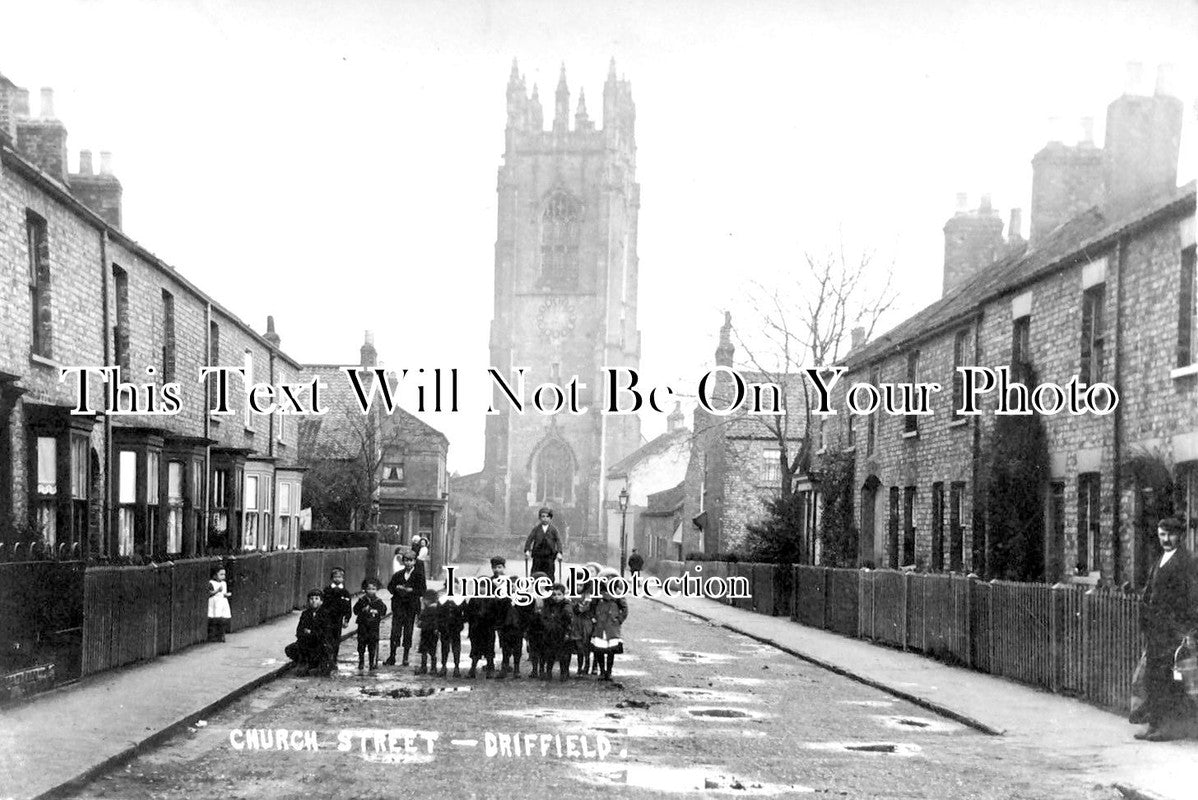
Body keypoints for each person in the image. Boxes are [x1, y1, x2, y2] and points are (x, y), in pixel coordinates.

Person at [1134, 517, 1198, 741]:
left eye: (1170, 535)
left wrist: (1187, 630)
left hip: (1174, 630)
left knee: (1170, 680)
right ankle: (1154, 723)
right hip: (1156, 629)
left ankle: (1168, 728)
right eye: (1162, 535)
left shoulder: (1187, 562)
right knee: (1153, 676)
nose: (1166, 539)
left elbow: (1191, 598)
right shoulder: (1160, 558)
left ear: (1180, 535)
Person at [465, 557, 506, 678]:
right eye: (480, 586)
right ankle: (473, 668)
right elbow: (469, 613)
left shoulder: (492, 600)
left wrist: (495, 623)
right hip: (476, 628)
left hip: (488, 628)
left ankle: (490, 667)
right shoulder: (474, 599)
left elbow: (496, 613)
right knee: (475, 649)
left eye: (484, 586)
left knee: (489, 649)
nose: (482, 589)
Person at [386, 549, 426, 666]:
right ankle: (392, 656)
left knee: (408, 631)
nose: (408, 563)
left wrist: (412, 590)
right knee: (395, 631)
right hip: (398, 606)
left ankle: (405, 657)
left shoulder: (419, 576)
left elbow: (423, 590)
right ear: (403, 562)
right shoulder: (398, 575)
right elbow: (390, 587)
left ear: (414, 562)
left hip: (411, 607)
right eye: (406, 560)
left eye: (411, 561)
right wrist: (397, 588)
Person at [590, 568, 629, 682]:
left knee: (611, 650)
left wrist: (619, 619)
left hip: (612, 626)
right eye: (606, 579)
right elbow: (592, 606)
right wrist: (593, 617)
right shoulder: (598, 594)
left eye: (612, 579)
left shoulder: (617, 594)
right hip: (600, 625)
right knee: (599, 650)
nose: (609, 581)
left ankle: (609, 672)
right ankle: (602, 671)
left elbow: (624, 608)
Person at [286, 590, 335, 676]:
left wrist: (310, 632)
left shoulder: (326, 614)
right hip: (307, 642)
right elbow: (300, 630)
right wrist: (307, 634)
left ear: (321, 601)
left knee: (324, 655)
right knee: (290, 649)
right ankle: (303, 663)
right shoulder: (305, 614)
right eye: (311, 599)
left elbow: (324, 633)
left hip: (320, 643)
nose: (313, 601)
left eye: (316, 598)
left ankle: (320, 664)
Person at [537, 583, 574, 681]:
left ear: (563, 594)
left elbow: (568, 617)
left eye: (559, 594)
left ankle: (564, 672)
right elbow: (543, 617)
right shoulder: (548, 605)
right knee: (549, 654)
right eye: (554, 594)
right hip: (550, 632)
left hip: (562, 632)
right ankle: (548, 672)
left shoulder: (566, 604)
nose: (556, 597)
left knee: (564, 655)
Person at [321, 567, 353, 669]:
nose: (337, 579)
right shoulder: (327, 590)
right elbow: (323, 605)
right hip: (328, 618)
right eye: (335, 577)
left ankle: (334, 659)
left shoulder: (345, 592)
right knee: (327, 638)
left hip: (338, 619)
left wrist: (346, 619)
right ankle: (327, 659)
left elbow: (348, 607)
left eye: (340, 577)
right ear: (331, 578)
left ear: (343, 579)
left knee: (336, 639)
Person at [353, 579, 387, 671]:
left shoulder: (378, 601)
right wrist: (362, 609)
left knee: (372, 644)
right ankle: (361, 661)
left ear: (376, 590)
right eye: (369, 589)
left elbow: (383, 611)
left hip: (373, 626)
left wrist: (377, 611)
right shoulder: (361, 600)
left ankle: (372, 662)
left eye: (373, 589)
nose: (371, 591)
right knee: (361, 644)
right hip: (363, 625)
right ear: (365, 589)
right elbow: (355, 610)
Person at [524, 507, 563, 579]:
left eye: (547, 516)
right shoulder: (536, 529)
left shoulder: (553, 529)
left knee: (550, 573)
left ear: (550, 518)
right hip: (538, 555)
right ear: (540, 518)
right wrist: (527, 550)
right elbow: (529, 539)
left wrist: (559, 552)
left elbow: (558, 541)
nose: (545, 518)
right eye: (543, 516)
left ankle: (549, 587)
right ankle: (535, 586)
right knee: (535, 573)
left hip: (549, 556)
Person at [568, 582, 596, 678]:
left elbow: (584, 608)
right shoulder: (570, 595)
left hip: (585, 622)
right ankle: (580, 668)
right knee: (578, 646)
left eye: (580, 585)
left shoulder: (587, 595)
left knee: (586, 645)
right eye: (576, 584)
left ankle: (587, 665)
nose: (578, 587)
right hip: (575, 623)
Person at [437, 587, 466, 677]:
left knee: (456, 648)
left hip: (455, 627)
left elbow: (466, 612)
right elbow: (438, 613)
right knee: (445, 647)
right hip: (444, 627)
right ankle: (444, 666)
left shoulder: (460, 599)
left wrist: (461, 621)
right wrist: (439, 624)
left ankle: (456, 667)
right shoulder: (442, 598)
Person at [414, 589, 441, 676]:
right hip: (433, 633)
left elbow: (420, 621)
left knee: (424, 651)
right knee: (433, 651)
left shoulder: (427, 610)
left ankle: (424, 667)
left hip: (426, 632)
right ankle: (433, 668)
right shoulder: (438, 609)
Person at [207, 566, 232, 642]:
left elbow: (223, 593)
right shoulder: (211, 583)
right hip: (214, 602)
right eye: (221, 574)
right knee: (215, 619)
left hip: (222, 602)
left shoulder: (224, 583)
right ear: (215, 575)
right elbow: (210, 593)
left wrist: (226, 594)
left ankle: (221, 635)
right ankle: (214, 636)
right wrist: (217, 591)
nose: (223, 576)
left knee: (223, 618)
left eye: (224, 574)